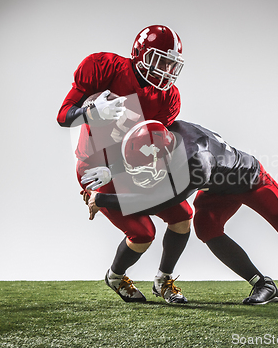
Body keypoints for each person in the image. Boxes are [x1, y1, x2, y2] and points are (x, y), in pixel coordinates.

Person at [82, 120, 278, 305]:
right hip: (218, 186)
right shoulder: (168, 134)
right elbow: (146, 153)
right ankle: (264, 285)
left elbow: (157, 202)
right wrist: (114, 168)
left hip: (250, 180)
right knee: (207, 228)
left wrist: (103, 199)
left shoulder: (197, 164)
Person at [57, 25, 192, 303]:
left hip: (131, 168)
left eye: (171, 62)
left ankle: (163, 280)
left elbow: (152, 149)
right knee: (143, 233)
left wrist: (118, 170)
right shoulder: (104, 68)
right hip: (96, 167)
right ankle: (116, 276)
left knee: (182, 217)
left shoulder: (168, 97)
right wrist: (89, 112)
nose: (166, 69)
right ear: (140, 54)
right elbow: (63, 116)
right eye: (160, 60)